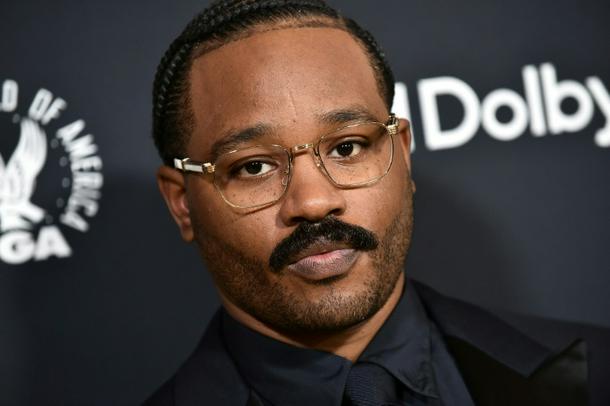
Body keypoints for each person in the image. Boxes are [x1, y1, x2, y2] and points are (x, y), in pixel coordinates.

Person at [144, 1, 609, 405]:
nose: (314, 202)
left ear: (402, 153)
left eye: (347, 148)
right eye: (254, 167)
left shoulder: (596, 375)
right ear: (182, 203)